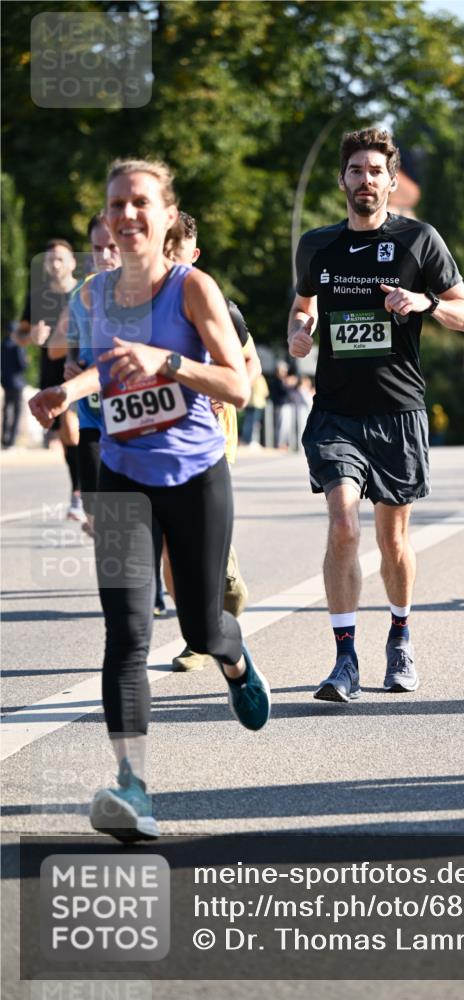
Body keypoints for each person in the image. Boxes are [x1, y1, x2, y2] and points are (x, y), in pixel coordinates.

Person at [30, 158, 270, 841]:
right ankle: (133, 787)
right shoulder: (91, 297)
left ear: (166, 217)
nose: (126, 214)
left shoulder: (193, 288)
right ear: (105, 221)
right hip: (121, 473)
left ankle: (234, 657)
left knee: (200, 626)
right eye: (116, 205)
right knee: (127, 635)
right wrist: (61, 395)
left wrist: (168, 362)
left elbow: (237, 385)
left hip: (196, 475)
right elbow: (99, 368)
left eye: (140, 203)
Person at [288, 127, 464, 701]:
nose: (365, 180)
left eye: (375, 171)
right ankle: (344, 660)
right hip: (337, 412)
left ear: (391, 181)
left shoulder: (420, 239)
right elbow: (301, 311)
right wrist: (299, 333)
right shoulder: (318, 245)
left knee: (393, 540)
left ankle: (400, 635)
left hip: (397, 411)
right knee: (344, 524)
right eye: (355, 171)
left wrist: (425, 302)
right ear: (342, 180)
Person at [163, 210, 259, 671]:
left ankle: (225, 588)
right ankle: (196, 634)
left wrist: (225, 387)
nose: (168, 259)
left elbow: (249, 367)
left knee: (194, 533)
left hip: (210, 437)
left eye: (177, 251)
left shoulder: (216, 303)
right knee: (169, 539)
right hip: (161, 438)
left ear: (193, 254)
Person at [64, 213, 121, 536]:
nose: (105, 255)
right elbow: (73, 337)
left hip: (132, 416)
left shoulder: (144, 291)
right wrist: (70, 363)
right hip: (92, 413)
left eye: (112, 246)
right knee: (92, 505)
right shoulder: (80, 294)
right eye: (98, 248)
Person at [21, 239, 83, 518]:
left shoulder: (85, 292)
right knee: (69, 438)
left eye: (60, 259)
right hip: (51, 374)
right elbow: (18, 334)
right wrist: (31, 337)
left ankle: (81, 495)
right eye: (50, 260)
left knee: (78, 431)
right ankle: (80, 491)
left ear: (72, 262)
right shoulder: (37, 296)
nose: (55, 264)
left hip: (82, 372)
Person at [1, 326, 27, 448]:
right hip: (17, 383)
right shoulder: (18, 346)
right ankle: (11, 440)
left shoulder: (2, 345)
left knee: (6, 409)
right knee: (16, 411)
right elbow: (22, 365)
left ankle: (4, 438)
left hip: (6, 382)